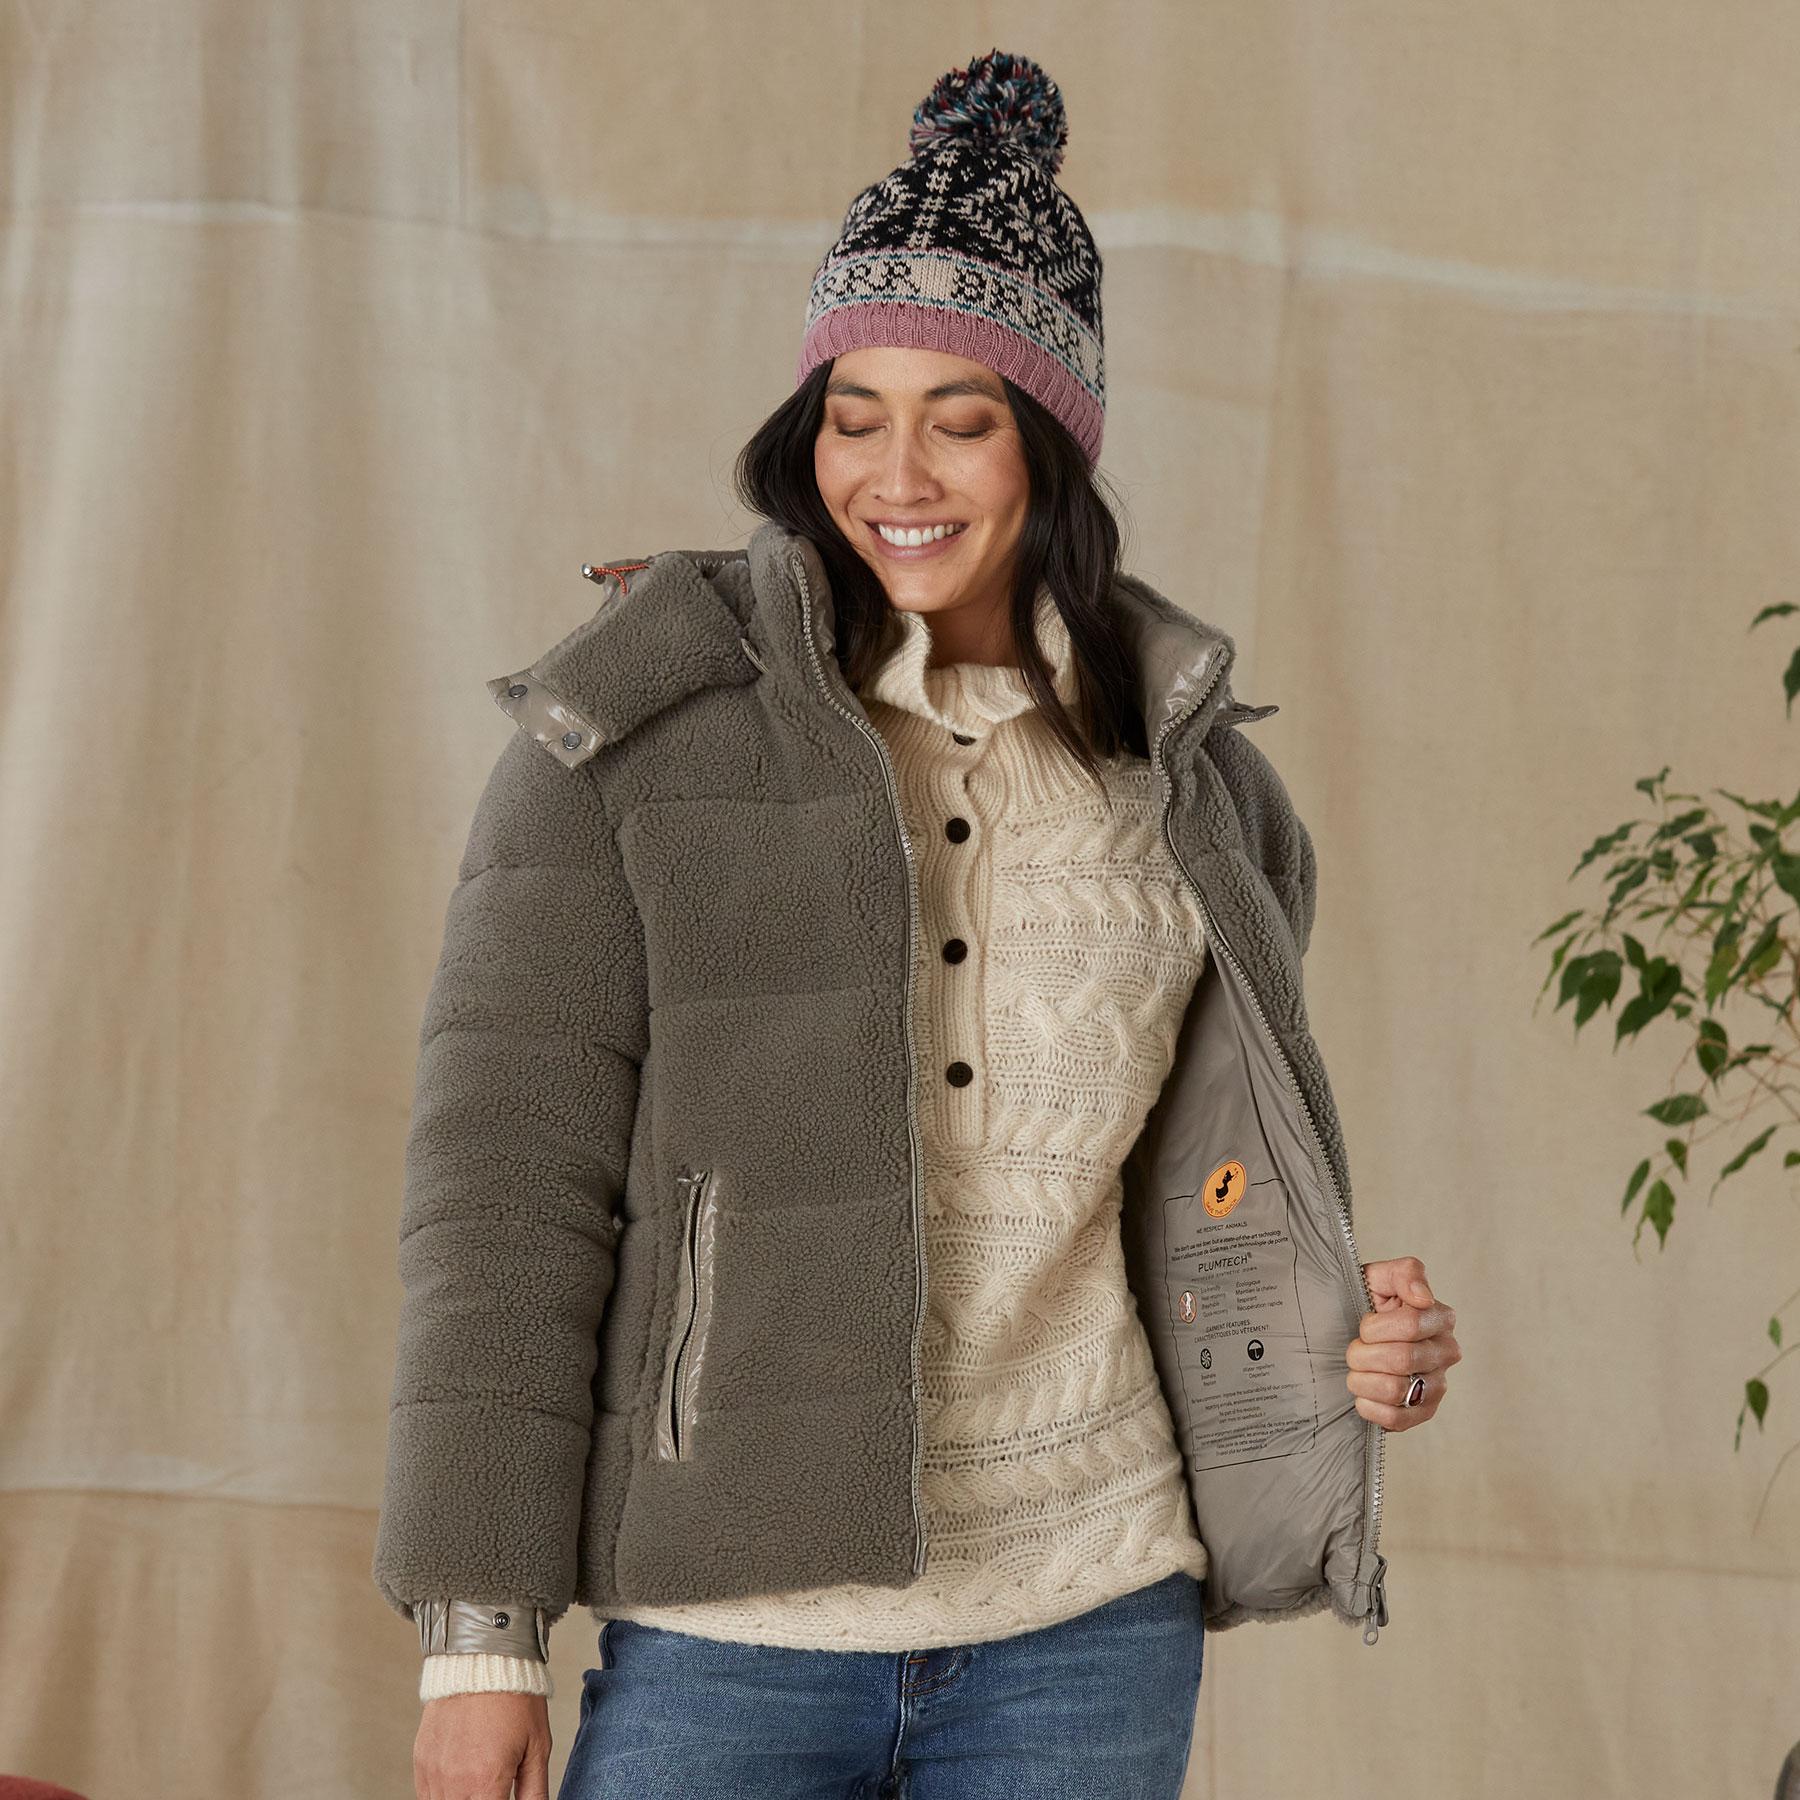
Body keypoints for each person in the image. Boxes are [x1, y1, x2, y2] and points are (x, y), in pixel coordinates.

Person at [375, 48, 1462, 1800]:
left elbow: (1202, 1205)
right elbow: (503, 1208)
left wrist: (1356, 1354)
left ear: (1053, 443)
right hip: (732, 1621)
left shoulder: (1196, 788)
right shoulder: (629, 742)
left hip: (1094, 1618)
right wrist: (479, 1637)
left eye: (962, 418)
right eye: (852, 412)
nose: (896, 470)